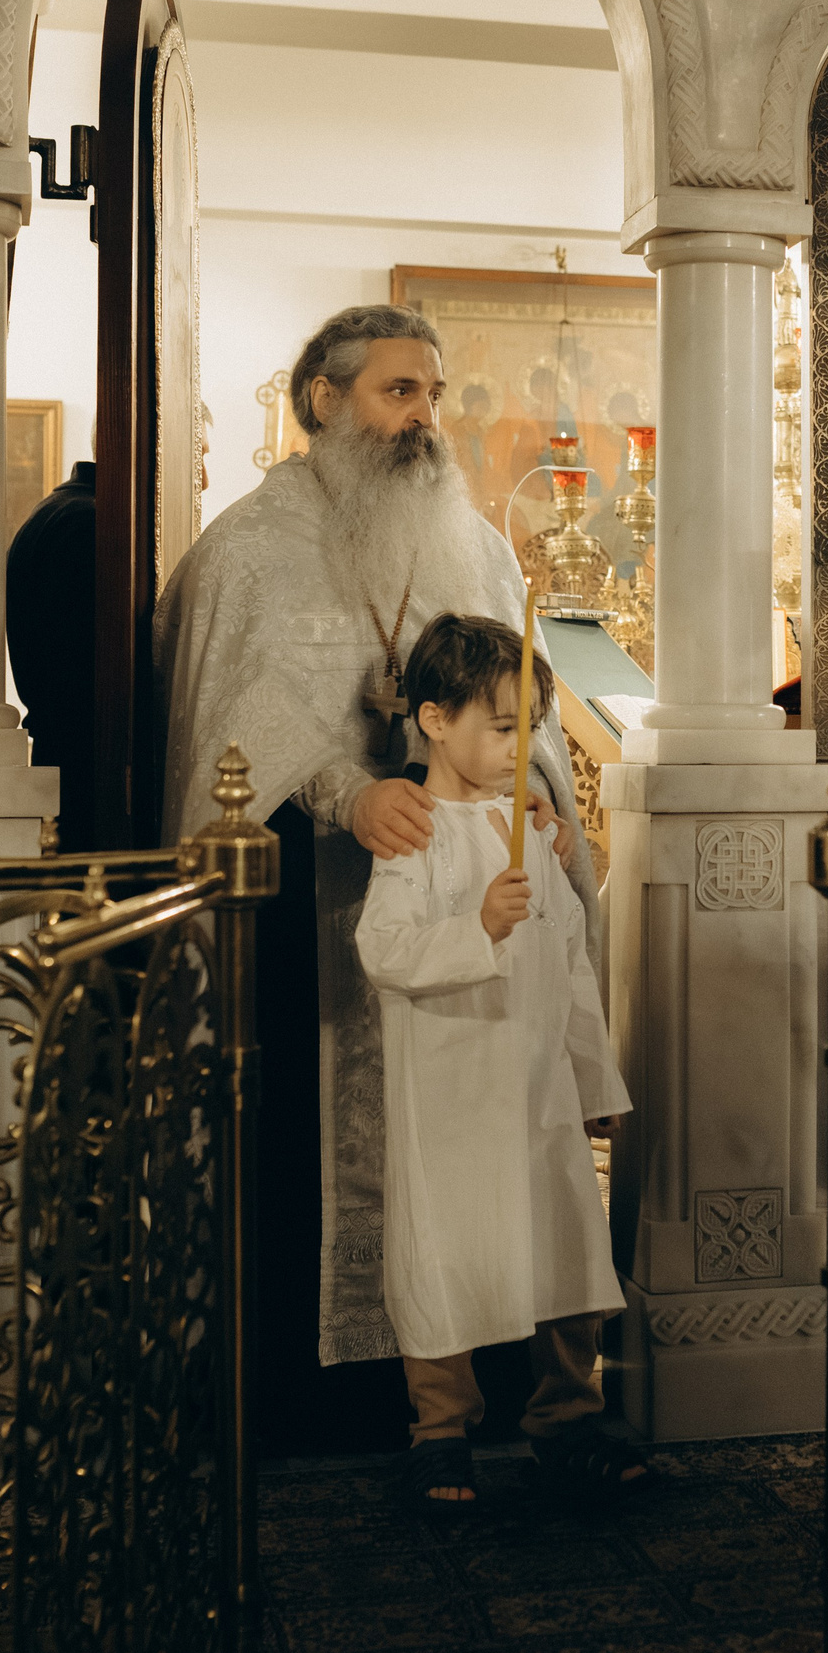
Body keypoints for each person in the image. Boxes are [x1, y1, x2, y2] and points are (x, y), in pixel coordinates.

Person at [154, 304, 596, 1422]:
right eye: (400, 392)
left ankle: (498, 1375)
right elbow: (230, 729)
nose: (424, 420)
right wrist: (348, 791)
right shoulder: (248, 550)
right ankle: (336, 1399)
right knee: (329, 1146)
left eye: (433, 395)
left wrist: (529, 796)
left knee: (489, 1141)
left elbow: (531, 714)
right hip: (313, 906)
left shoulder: (472, 541)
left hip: (475, 902)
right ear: (325, 400)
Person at [357, 612, 645, 1505]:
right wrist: (474, 927)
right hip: (453, 1094)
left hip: (538, 1093)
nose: (525, 747)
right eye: (505, 727)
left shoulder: (538, 828)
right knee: (451, 1252)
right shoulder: (415, 834)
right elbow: (384, 948)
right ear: (436, 721)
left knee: (564, 1249)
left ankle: (567, 1416)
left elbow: (568, 965)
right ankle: (440, 1430)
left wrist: (594, 1078)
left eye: (532, 728)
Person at [5, 461, 97, 847]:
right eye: (199, 458)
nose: (204, 479)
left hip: (64, 751)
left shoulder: (63, 510)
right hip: (84, 762)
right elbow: (82, 671)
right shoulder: (86, 521)